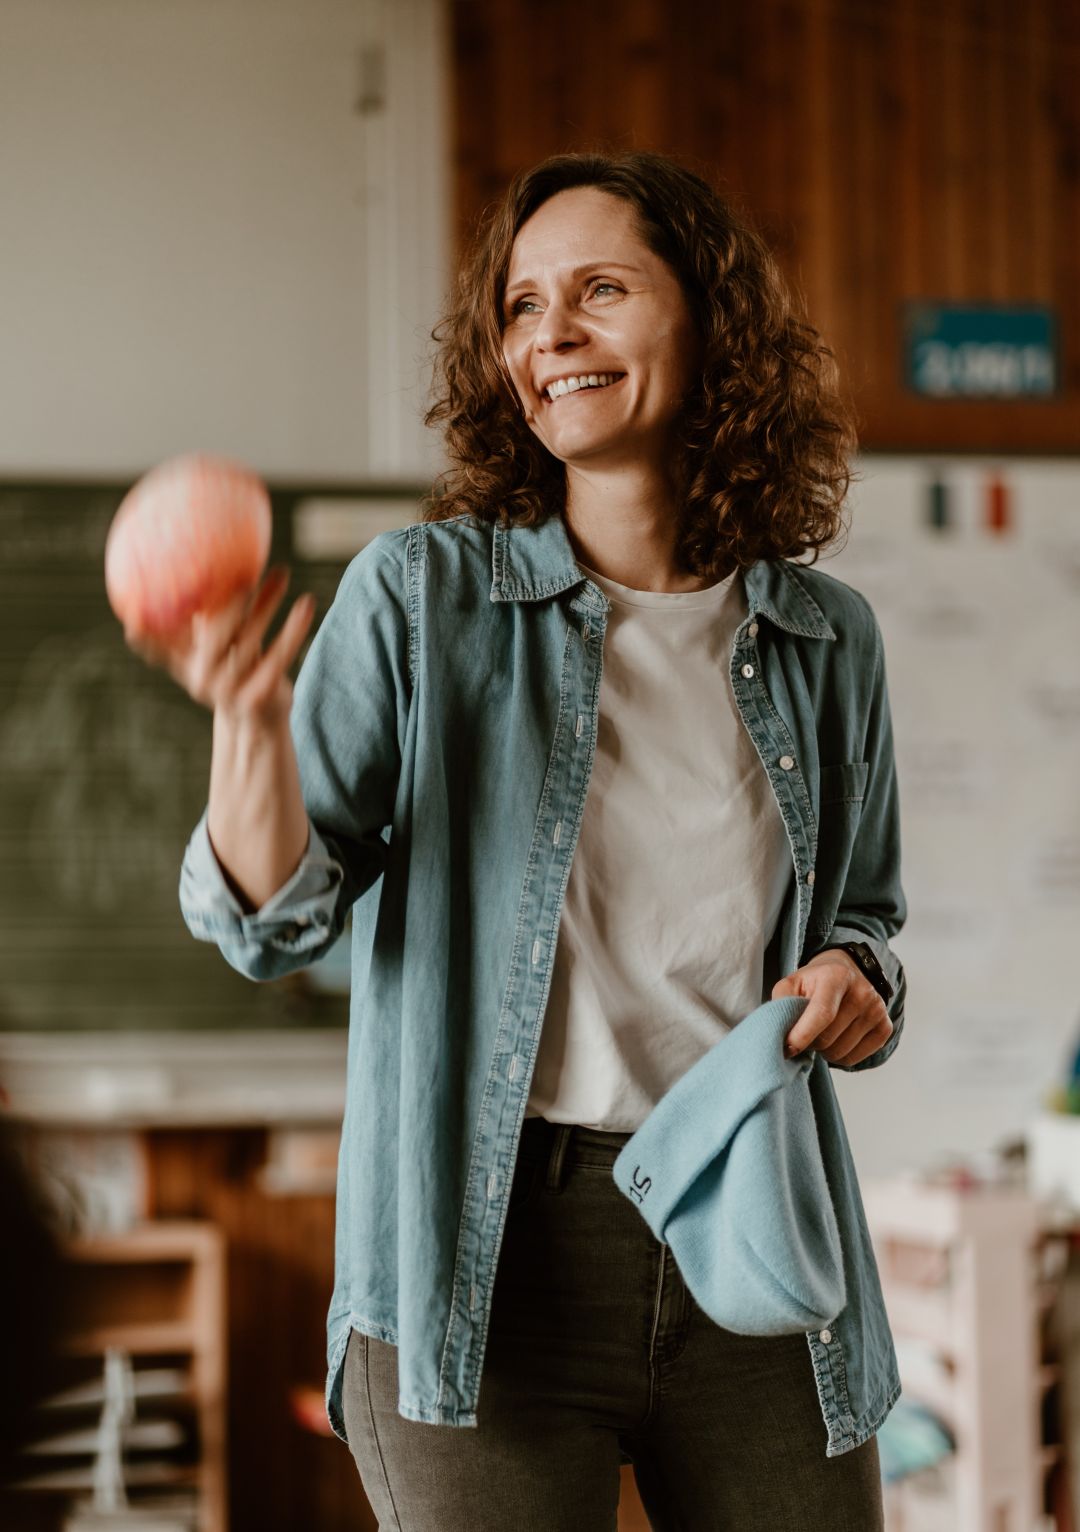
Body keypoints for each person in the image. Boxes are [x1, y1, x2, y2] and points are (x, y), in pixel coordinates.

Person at [141, 150, 907, 1530]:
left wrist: (858, 982)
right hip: (484, 1252)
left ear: (710, 323)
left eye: (600, 292)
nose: (550, 335)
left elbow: (866, 919)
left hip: (746, 1221)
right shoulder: (421, 600)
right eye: (523, 306)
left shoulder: (822, 638)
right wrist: (247, 734)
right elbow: (272, 925)